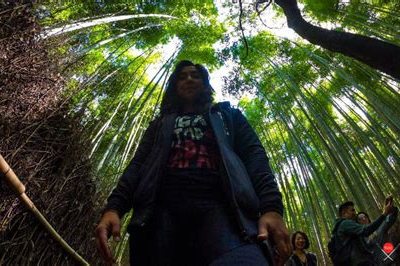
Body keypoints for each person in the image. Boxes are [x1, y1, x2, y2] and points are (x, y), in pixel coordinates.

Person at [94, 60, 291, 265]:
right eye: (182, 76)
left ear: (206, 85)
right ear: (174, 86)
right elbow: (138, 165)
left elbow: (254, 157)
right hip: (158, 212)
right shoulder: (159, 124)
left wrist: (271, 208)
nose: (189, 79)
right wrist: (114, 208)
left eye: (195, 75)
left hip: (225, 209)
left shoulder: (228, 116)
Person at [332, 200, 393, 266]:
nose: (355, 213)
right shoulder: (345, 224)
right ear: (344, 213)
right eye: (352, 210)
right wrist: (384, 214)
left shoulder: (345, 227)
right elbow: (366, 230)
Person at [355, 197, 399, 265]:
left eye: (365, 217)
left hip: (390, 260)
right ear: (357, 223)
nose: (363, 219)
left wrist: (390, 207)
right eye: (360, 218)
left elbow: (390, 219)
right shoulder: (360, 238)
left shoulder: (379, 227)